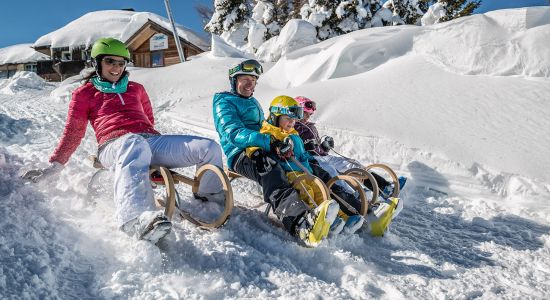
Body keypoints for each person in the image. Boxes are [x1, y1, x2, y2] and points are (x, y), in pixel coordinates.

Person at [22, 37, 225, 244]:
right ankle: (134, 218)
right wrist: (55, 165)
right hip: (113, 146)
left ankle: (209, 196)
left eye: (121, 63)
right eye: (110, 61)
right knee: (133, 142)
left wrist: (150, 164)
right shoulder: (84, 93)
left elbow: (148, 120)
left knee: (208, 147)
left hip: (147, 141)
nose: (116, 68)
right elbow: (73, 132)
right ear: (97, 63)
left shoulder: (136, 88)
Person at [212, 60, 339, 247]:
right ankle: (298, 222)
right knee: (269, 167)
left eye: (253, 81)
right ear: (234, 80)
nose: (250, 84)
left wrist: (280, 139)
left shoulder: (252, 101)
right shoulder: (224, 102)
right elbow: (232, 132)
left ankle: (336, 208)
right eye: (245, 79)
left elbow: (264, 128)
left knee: (305, 165)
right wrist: (270, 141)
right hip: (240, 154)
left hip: (265, 146)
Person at [246, 95, 365, 236]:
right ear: (275, 117)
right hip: (289, 173)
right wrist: (256, 153)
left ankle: (340, 218)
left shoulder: (294, 135)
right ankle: (313, 219)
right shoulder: (268, 133)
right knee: (307, 191)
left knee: (320, 190)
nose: (292, 123)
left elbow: (303, 154)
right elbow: (253, 146)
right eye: (288, 119)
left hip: (305, 170)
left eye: (294, 119)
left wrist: (311, 160)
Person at [294, 96, 407, 236]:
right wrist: (307, 148)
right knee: (332, 173)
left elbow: (318, 148)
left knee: (351, 164)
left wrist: (324, 146)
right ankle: (355, 199)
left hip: (323, 156)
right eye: (304, 113)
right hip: (312, 160)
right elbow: (296, 149)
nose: (307, 117)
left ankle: (383, 187)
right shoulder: (294, 126)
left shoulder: (311, 127)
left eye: (309, 114)